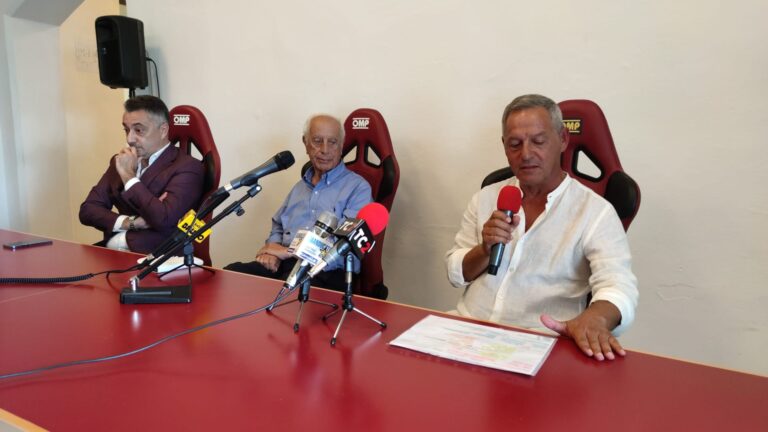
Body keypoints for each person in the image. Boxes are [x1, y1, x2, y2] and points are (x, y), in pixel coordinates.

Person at [445, 94, 638, 361]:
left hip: (540, 344)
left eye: (538, 141)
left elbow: (618, 285)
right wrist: (484, 250)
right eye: (515, 144)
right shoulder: (487, 198)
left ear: (563, 139)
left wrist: (596, 318)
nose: (526, 154)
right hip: (467, 331)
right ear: (504, 146)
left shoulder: (595, 212)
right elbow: (456, 273)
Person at [225, 114, 372, 291]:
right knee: (230, 276)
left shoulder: (358, 188)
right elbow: (278, 225)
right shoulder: (299, 187)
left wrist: (286, 252)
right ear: (306, 143)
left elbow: (342, 246)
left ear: (341, 146)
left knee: (283, 296)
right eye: (317, 141)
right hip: (285, 266)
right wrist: (273, 253)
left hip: (325, 272)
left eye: (332, 142)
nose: (325, 150)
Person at [79, 95, 204, 254]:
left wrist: (129, 177)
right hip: (112, 253)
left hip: (153, 258)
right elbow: (87, 210)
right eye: (126, 130)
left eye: (138, 130)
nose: (130, 139)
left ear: (163, 130)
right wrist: (130, 223)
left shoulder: (188, 167)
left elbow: (163, 219)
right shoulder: (121, 160)